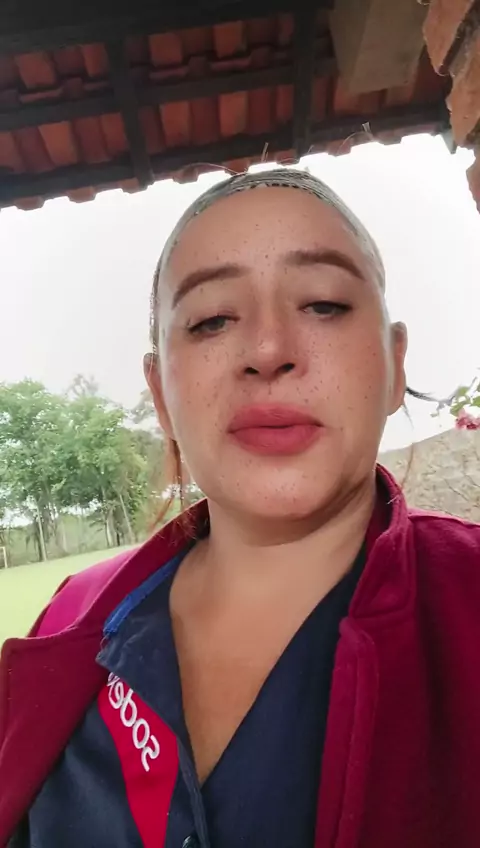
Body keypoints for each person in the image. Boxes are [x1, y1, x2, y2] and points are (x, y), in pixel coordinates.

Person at [1, 168, 480, 848]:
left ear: (394, 363)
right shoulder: (69, 619)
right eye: (211, 320)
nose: (267, 350)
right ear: (160, 393)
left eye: (323, 304)